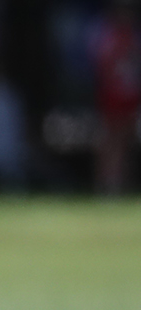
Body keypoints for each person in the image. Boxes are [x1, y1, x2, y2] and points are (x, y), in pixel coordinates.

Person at [89, 0, 140, 194]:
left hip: (131, 94)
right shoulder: (106, 34)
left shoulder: (135, 35)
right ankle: (106, 183)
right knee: (111, 139)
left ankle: (122, 182)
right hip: (111, 93)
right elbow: (101, 64)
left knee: (127, 139)